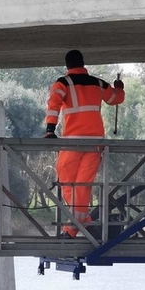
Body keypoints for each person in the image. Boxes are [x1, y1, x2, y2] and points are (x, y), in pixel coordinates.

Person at [44, 50, 125, 238]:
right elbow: (116, 99)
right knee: (82, 185)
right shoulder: (98, 83)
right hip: (95, 142)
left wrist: (50, 130)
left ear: (67, 66)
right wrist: (119, 87)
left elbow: (54, 105)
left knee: (67, 182)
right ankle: (82, 223)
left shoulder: (63, 83)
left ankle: (74, 227)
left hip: (73, 141)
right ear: (83, 64)